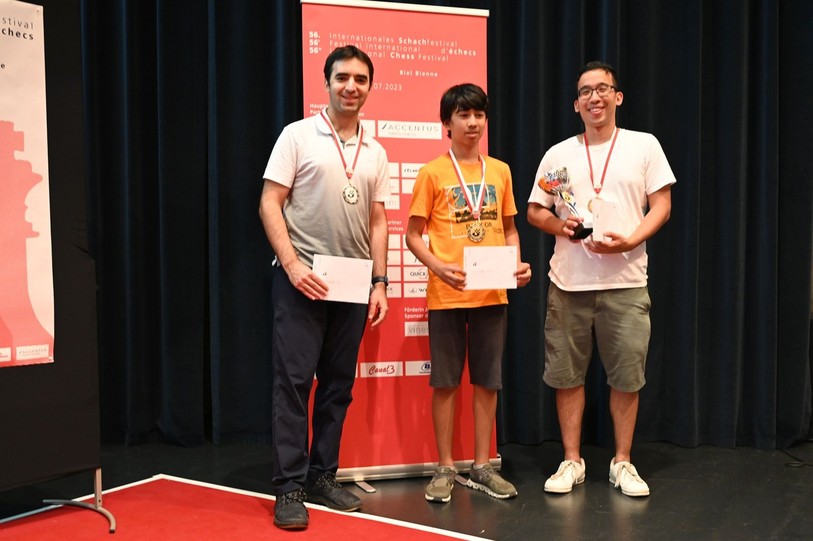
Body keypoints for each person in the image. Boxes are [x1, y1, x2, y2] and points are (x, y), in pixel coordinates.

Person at [527, 61, 675, 498]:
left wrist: (630, 240)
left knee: (626, 376)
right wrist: (562, 228)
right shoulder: (559, 155)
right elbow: (537, 209)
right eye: (586, 91)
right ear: (576, 104)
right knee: (567, 375)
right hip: (569, 284)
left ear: (618, 97)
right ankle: (572, 460)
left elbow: (662, 206)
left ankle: (622, 462)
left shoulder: (644, 146)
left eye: (603, 89)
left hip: (626, 282)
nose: (595, 97)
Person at [259, 45, 390, 530]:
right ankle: (289, 486)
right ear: (327, 82)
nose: (351, 86)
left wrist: (380, 281)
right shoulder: (297, 136)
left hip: (354, 284)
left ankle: (322, 474)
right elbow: (270, 202)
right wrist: (291, 265)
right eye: (342, 78)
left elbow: (378, 219)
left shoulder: (376, 150)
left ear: (369, 87)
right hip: (303, 280)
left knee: (338, 385)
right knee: (293, 385)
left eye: (360, 79)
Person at [406, 83, 532, 504]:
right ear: (447, 123)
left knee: (487, 382)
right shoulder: (432, 172)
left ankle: (481, 465)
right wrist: (438, 266)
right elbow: (412, 235)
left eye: (479, 114)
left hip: (492, 293)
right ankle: (445, 465)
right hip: (447, 292)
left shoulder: (499, 171)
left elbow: (510, 228)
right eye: (463, 114)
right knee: (444, 382)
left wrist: (516, 264)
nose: (473, 122)